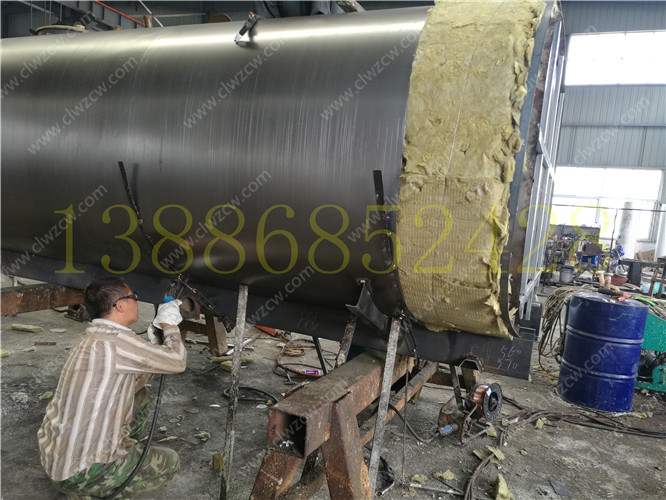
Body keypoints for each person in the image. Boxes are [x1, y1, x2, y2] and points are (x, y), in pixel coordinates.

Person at [37, 277, 187, 499]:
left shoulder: (91, 337)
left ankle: (110, 465)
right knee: (170, 461)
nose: (137, 301)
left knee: (140, 396)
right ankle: (97, 487)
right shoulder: (119, 341)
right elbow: (178, 361)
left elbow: (132, 379)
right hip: (82, 470)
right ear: (120, 305)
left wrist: (154, 345)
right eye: (134, 297)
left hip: (55, 457)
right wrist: (169, 325)